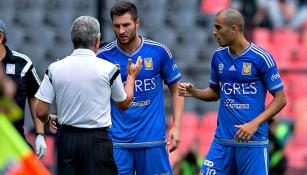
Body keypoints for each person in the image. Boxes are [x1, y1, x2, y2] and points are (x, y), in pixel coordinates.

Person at [178, 8, 287, 175]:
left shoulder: (261, 58)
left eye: (218, 27)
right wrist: (196, 93)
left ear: (234, 29)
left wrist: (254, 123)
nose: (214, 32)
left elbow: (281, 99)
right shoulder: (218, 57)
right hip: (222, 143)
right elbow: (215, 93)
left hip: (253, 144)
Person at [35, 16, 142, 175]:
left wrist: (47, 119)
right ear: (97, 40)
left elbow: (40, 112)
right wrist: (131, 77)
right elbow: (124, 104)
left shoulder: (55, 68)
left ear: (72, 38)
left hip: (67, 140)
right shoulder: (108, 69)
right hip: (98, 140)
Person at [96, 1, 184, 174]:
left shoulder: (158, 52)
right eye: (117, 26)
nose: (121, 31)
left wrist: (177, 126)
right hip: (118, 142)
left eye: (126, 25)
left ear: (137, 23)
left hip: (152, 141)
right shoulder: (103, 57)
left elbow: (176, 88)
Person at [0, 19, 46, 159]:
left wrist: (40, 134)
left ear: (0, 37)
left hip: (14, 140)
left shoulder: (22, 63)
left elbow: (35, 96)